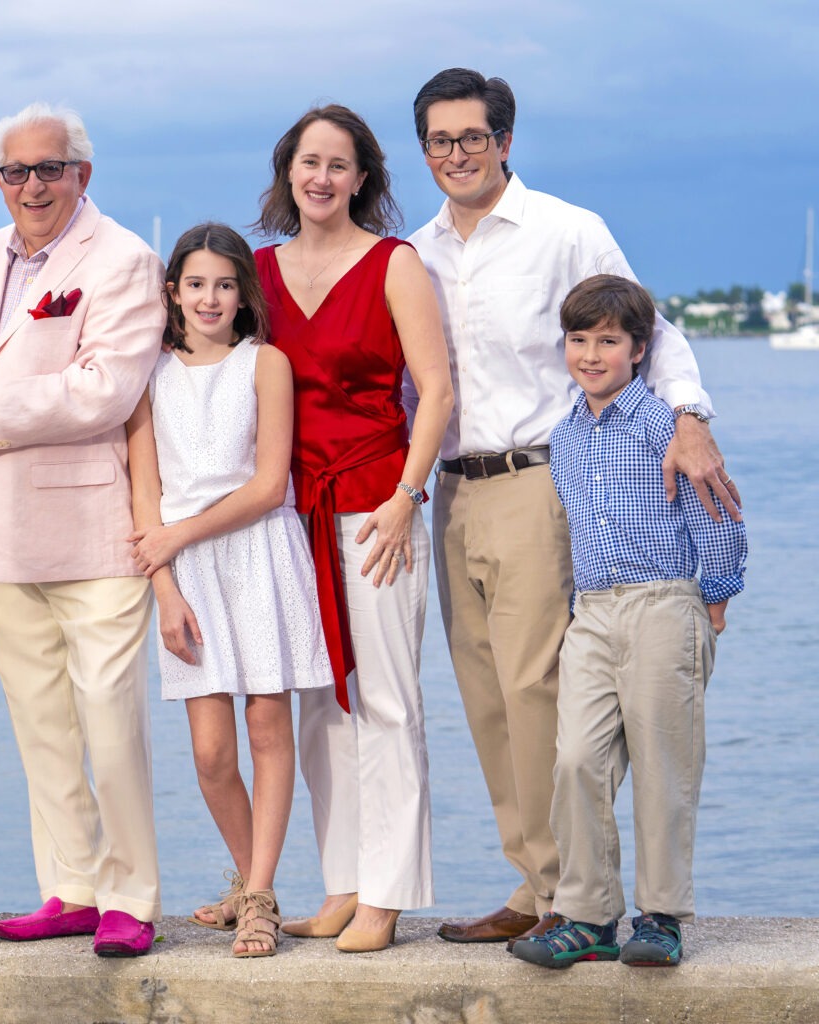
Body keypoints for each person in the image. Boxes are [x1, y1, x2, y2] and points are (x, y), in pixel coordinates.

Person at [406, 68, 739, 948]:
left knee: (537, 692)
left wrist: (690, 421)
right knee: (484, 697)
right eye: (439, 140)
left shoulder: (566, 230)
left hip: (538, 480)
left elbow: (651, 329)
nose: (457, 154)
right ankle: (535, 881)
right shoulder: (418, 252)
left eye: (472, 136)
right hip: (451, 491)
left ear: (505, 141)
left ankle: (572, 897)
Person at [0, 102, 166, 958]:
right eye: (15, 172)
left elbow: (106, 388)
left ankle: (132, 896)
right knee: (40, 724)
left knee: (110, 720)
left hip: (94, 532)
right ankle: (72, 886)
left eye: (49, 169)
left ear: (81, 175)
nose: (32, 185)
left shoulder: (127, 259)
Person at [252, 104, 454, 953]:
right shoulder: (255, 270)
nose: (322, 178)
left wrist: (409, 496)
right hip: (289, 512)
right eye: (309, 162)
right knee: (317, 704)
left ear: (363, 176)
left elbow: (437, 393)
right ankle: (340, 883)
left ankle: (389, 891)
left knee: (385, 697)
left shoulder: (393, 265)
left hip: (378, 505)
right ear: (288, 171)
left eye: (339, 164)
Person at [511, 275, 745, 969]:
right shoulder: (566, 436)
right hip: (594, 611)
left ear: (640, 349)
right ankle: (586, 915)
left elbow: (719, 511)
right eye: (579, 340)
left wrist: (714, 596)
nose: (591, 354)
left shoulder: (663, 424)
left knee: (664, 765)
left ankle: (662, 916)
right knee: (577, 758)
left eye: (608, 341)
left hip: (663, 603)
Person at [125, 223, 335, 958]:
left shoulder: (264, 363)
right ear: (173, 293)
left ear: (245, 293)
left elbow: (269, 483)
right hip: (186, 573)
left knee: (267, 730)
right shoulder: (149, 374)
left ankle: (258, 897)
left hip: (259, 553)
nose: (210, 297)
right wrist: (164, 584)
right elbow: (145, 490)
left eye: (224, 284)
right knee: (212, 753)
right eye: (195, 284)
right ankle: (254, 885)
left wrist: (177, 538)